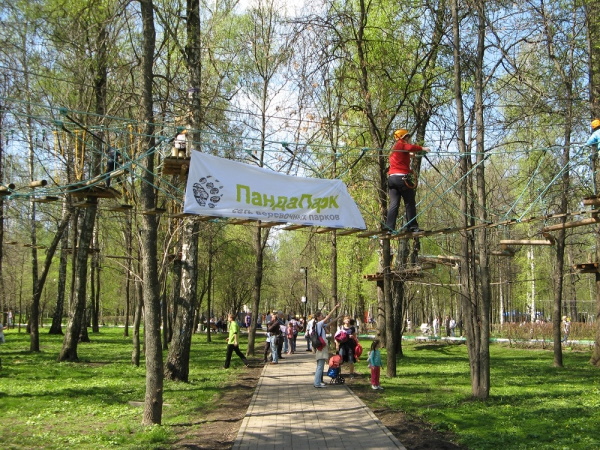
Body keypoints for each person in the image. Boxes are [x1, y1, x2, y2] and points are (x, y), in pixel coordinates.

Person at [385, 129, 430, 233]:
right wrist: (423, 148)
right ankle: (412, 227)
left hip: (392, 179)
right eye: (409, 137)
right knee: (409, 202)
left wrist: (411, 155)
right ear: (405, 137)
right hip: (401, 178)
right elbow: (409, 147)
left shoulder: (394, 149)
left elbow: (401, 155)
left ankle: (389, 228)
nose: (410, 140)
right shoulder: (401, 144)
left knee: (394, 204)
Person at [313, 304, 340, 388]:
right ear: (318, 317)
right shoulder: (319, 323)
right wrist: (335, 307)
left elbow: (330, 322)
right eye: (321, 315)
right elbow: (328, 317)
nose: (323, 316)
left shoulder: (320, 325)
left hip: (321, 345)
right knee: (320, 366)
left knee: (320, 365)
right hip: (322, 345)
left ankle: (317, 382)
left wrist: (338, 317)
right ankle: (317, 383)